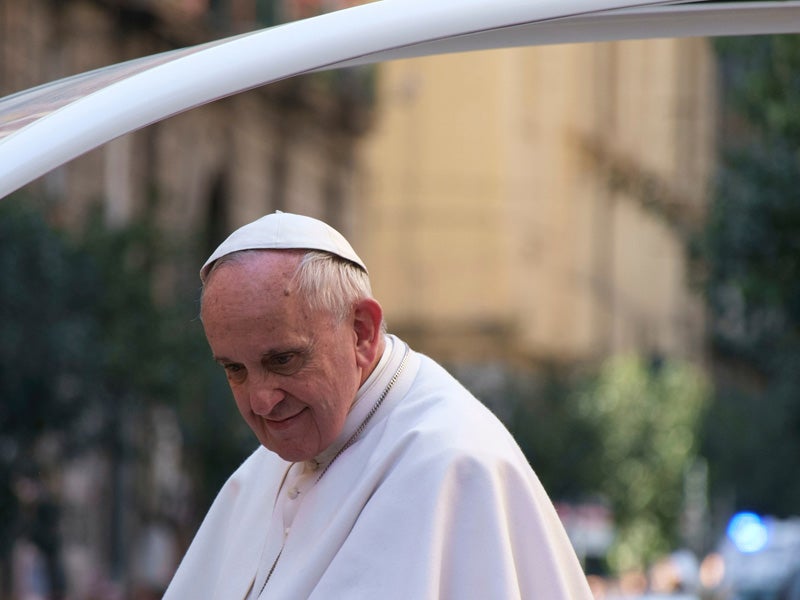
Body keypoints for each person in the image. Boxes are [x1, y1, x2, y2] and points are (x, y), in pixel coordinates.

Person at [164, 211, 593, 599]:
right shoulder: (262, 473)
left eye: (283, 360)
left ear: (361, 333)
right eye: (234, 369)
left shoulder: (456, 465)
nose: (261, 399)